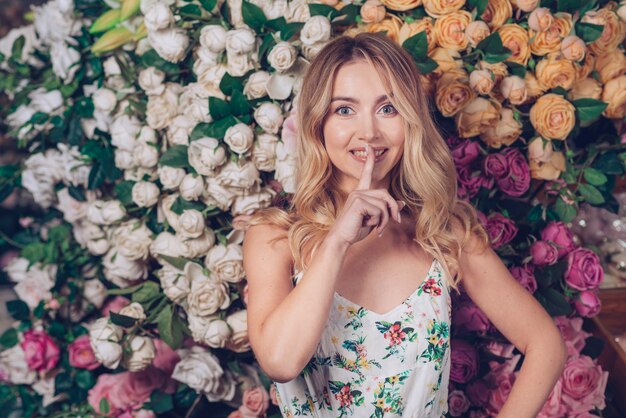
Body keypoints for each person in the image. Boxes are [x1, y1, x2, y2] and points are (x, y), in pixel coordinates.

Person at [242, 32, 566, 417]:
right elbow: (280, 362)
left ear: (410, 120)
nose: (369, 132)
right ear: (318, 123)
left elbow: (546, 345)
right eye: (345, 110)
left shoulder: (443, 231)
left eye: (388, 108)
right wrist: (337, 241)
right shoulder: (274, 235)